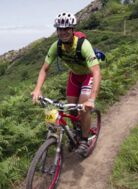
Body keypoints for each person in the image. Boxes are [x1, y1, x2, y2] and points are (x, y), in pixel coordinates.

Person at [31, 12, 102, 157]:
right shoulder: (56, 46)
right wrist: (37, 89)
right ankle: (76, 131)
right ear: (57, 31)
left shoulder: (83, 45)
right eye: (60, 29)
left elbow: (96, 72)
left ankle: (83, 140)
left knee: (83, 108)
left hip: (88, 76)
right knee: (71, 109)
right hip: (74, 77)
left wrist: (92, 99)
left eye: (66, 29)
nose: (63, 32)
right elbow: (44, 69)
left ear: (72, 29)